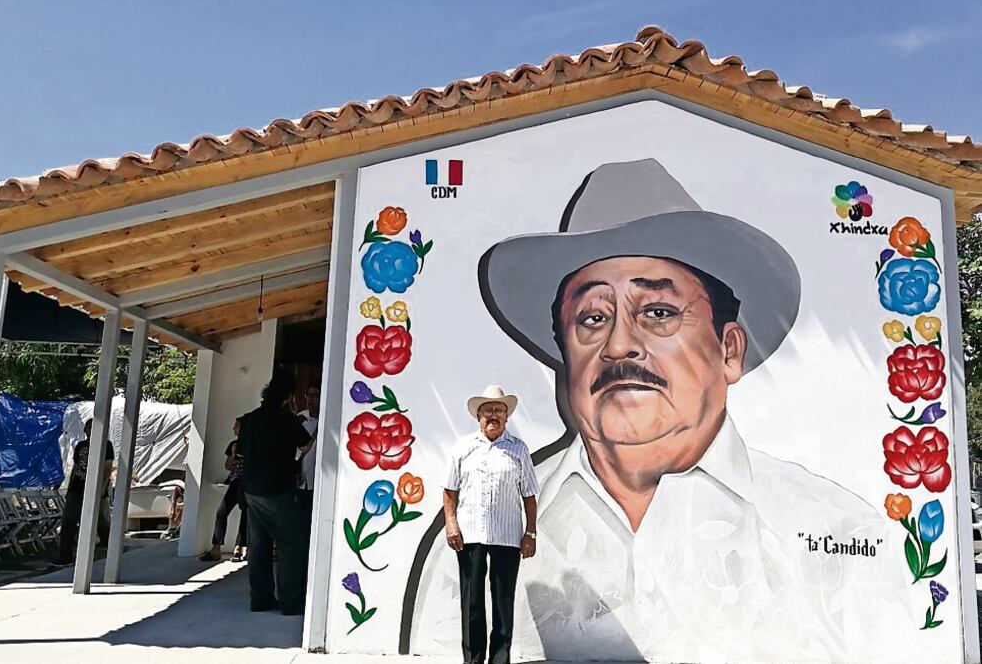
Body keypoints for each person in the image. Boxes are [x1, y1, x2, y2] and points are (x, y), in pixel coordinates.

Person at [408, 159, 912, 661]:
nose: (620, 345)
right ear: (566, 356)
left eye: (659, 312)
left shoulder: (840, 534)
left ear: (730, 350)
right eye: (592, 317)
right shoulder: (483, 538)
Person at [443, 385, 538, 664]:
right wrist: (451, 523)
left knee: (503, 601)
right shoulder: (463, 448)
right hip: (469, 534)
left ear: (507, 417)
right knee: (471, 601)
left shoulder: (518, 450)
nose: (493, 415)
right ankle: (473, 659)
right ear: (478, 417)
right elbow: (449, 490)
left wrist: (530, 532)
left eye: (499, 410)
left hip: (507, 536)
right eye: (488, 411)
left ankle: (499, 659)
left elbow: (529, 494)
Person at [238, 371, 313, 615]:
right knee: (291, 544)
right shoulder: (287, 420)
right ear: (288, 397)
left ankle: (260, 599)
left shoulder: (250, 419)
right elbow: (305, 445)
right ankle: (291, 602)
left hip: (251, 490)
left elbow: (239, 450)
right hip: (277, 490)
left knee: (258, 547)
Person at [53, 419, 114, 566]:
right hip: (77, 488)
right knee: (68, 522)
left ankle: (113, 552)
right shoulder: (81, 446)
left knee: (101, 523)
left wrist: (100, 490)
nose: (90, 431)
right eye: (89, 428)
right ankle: (65, 557)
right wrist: (69, 487)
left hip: (95, 489)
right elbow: (76, 467)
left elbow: (107, 469)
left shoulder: (106, 445)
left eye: (94, 428)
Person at [198, 417, 248, 563]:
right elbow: (227, 466)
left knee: (245, 513)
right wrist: (233, 455)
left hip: (247, 482)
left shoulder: (251, 444)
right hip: (235, 481)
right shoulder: (233, 444)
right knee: (222, 512)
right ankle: (216, 547)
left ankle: (239, 547)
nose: (234, 428)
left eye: (236, 426)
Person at [295, 386, 320, 556]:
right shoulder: (300, 419)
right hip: (300, 478)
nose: (311, 400)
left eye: (315, 396)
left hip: (318, 479)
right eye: (308, 395)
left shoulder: (328, 417)